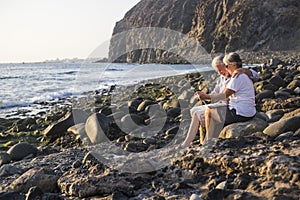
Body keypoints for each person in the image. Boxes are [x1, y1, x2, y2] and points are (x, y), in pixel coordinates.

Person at [181, 53, 258, 148]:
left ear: (233, 65)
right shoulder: (238, 76)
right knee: (206, 111)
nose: (225, 69)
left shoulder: (237, 77)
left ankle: (206, 142)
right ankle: (204, 142)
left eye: (226, 66)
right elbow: (219, 94)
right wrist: (208, 97)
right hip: (241, 109)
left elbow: (224, 95)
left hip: (240, 111)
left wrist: (206, 97)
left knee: (209, 112)